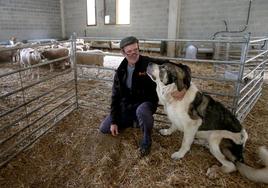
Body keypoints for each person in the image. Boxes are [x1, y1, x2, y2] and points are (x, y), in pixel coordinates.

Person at [99, 36, 186, 156]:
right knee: (104, 128)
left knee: (142, 111)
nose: (133, 54)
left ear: (138, 48)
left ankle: (146, 139)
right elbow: (115, 96)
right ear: (123, 53)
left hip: (146, 103)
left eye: (135, 50)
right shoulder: (121, 71)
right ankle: (134, 121)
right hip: (128, 106)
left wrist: (184, 87)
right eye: (129, 51)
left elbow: (181, 67)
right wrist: (114, 121)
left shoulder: (149, 64)